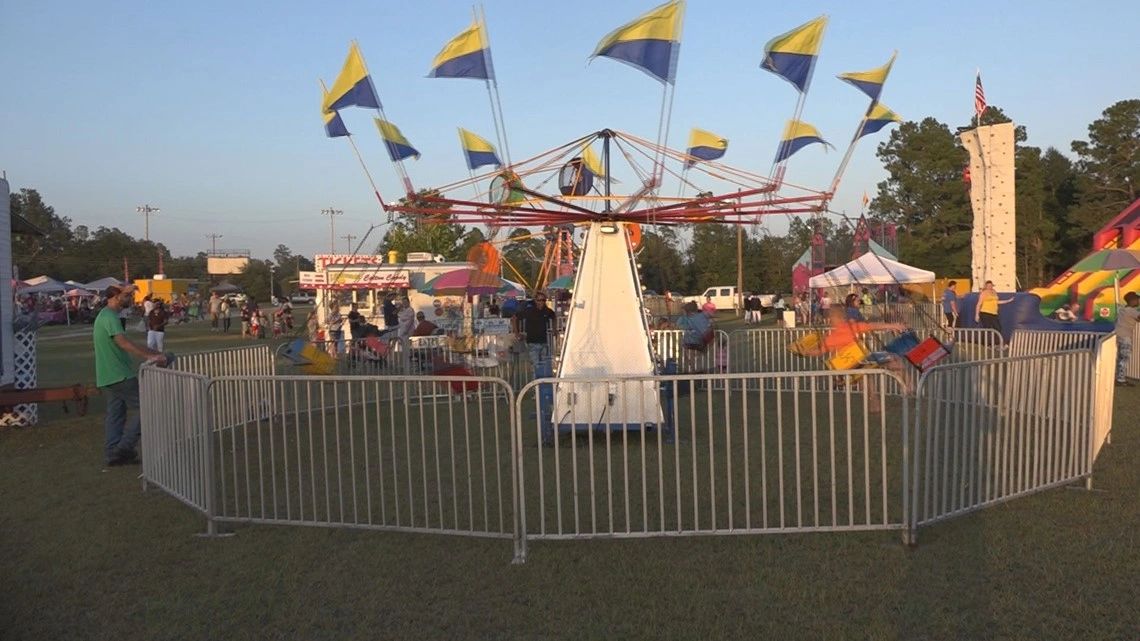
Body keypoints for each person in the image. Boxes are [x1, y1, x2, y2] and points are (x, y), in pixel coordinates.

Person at [94, 284, 167, 466]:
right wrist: (151, 356)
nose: (130, 299)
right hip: (120, 375)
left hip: (108, 375)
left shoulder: (106, 316)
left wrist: (151, 351)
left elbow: (126, 342)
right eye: (127, 296)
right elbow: (124, 344)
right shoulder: (110, 317)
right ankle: (124, 448)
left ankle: (113, 454)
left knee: (116, 414)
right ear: (116, 297)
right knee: (147, 406)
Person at [514, 291, 557, 371]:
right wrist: (517, 333)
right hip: (532, 343)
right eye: (539, 300)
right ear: (535, 301)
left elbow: (554, 317)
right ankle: (536, 382)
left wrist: (555, 329)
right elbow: (514, 318)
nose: (541, 302)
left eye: (543, 300)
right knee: (536, 366)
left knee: (544, 366)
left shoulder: (547, 311)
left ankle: (542, 382)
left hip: (544, 342)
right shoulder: (529, 311)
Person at [1115, 292, 1139, 386]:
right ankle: (1120, 379)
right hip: (1125, 336)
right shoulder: (1131, 311)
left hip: (1119, 334)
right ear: (1132, 300)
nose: (1138, 301)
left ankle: (1119, 377)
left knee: (1121, 357)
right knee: (1124, 358)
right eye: (1137, 299)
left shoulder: (1123, 309)